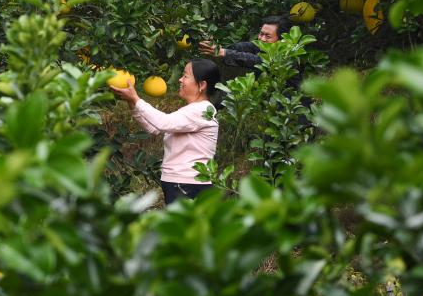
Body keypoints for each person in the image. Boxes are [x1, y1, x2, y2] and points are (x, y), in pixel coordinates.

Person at [110, 59, 220, 205]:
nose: (180, 80)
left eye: (186, 76)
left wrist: (136, 99)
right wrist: (132, 102)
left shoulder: (203, 110)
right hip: (179, 181)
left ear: (201, 85)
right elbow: (154, 128)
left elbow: (163, 123)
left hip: (190, 183)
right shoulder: (192, 110)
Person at [197, 15, 292, 70]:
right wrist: (217, 46)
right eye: (261, 34)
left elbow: (256, 60)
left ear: (281, 39)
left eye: (268, 36)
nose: (262, 39)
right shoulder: (262, 45)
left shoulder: (287, 56)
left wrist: (224, 52)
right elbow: (241, 47)